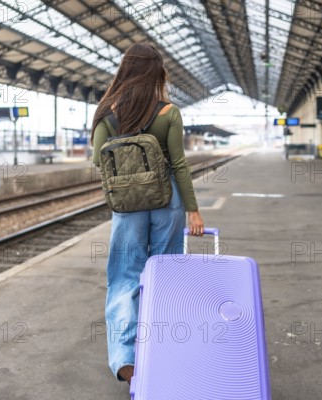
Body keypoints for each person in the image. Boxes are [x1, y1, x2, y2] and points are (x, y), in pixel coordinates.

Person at [91, 43, 205, 385]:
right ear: (158, 74)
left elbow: (99, 159)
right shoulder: (168, 112)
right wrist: (194, 211)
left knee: (125, 278)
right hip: (166, 199)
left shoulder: (107, 112)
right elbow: (180, 165)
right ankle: (164, 354)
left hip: (128, 205)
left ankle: (127, 361)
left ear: (124, 71)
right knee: (165, 277)